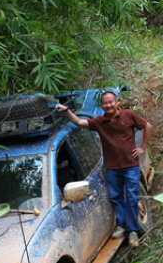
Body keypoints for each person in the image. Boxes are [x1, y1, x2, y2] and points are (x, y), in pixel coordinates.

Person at [55, 91, 152, 247]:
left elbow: (147, 126)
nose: (108, 105)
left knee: (133, 197)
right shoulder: (99, 122)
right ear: (102, 105)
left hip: (130, 165)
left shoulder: (129, 115)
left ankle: (132, 231)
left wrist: (142, 148)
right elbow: (80, 123)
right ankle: (122, 225)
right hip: (112, 167)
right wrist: (67, 110)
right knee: (116, 197)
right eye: (105, 103)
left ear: (117, 102)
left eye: (110, 102)